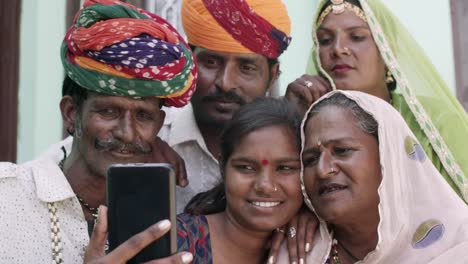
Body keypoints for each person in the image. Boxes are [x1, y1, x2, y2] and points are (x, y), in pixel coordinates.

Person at [0, 0, 197, 262]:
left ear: (159, 126)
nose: (127, 134)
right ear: (71, 113)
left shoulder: (173, 216)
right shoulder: (7, 197)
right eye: (108, 112)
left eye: (143, 116)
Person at [285, 0, 468, 201]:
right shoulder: (310, 124)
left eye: (356, 37)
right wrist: (291, 122)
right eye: (325, 40)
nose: (338, 49)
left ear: (388, 47)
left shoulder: (435, 121)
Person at [278, 90, 468, 263]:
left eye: (342, 150)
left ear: (389, 156)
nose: (322, 170)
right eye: (310, 159)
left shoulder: (456, 245)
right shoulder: (298, 253)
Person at [161, 0, 293, 212]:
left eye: (246, 68)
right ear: (189, 63)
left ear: (273, 76)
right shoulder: (154, 141)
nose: (226, 82)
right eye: (211, 63)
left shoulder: (296, 149)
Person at [177, 98, 304, 264]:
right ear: (223, 167)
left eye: (285, 168)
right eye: (246, 168)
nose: (265, 186)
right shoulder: (178, 242)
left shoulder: (320, 244)